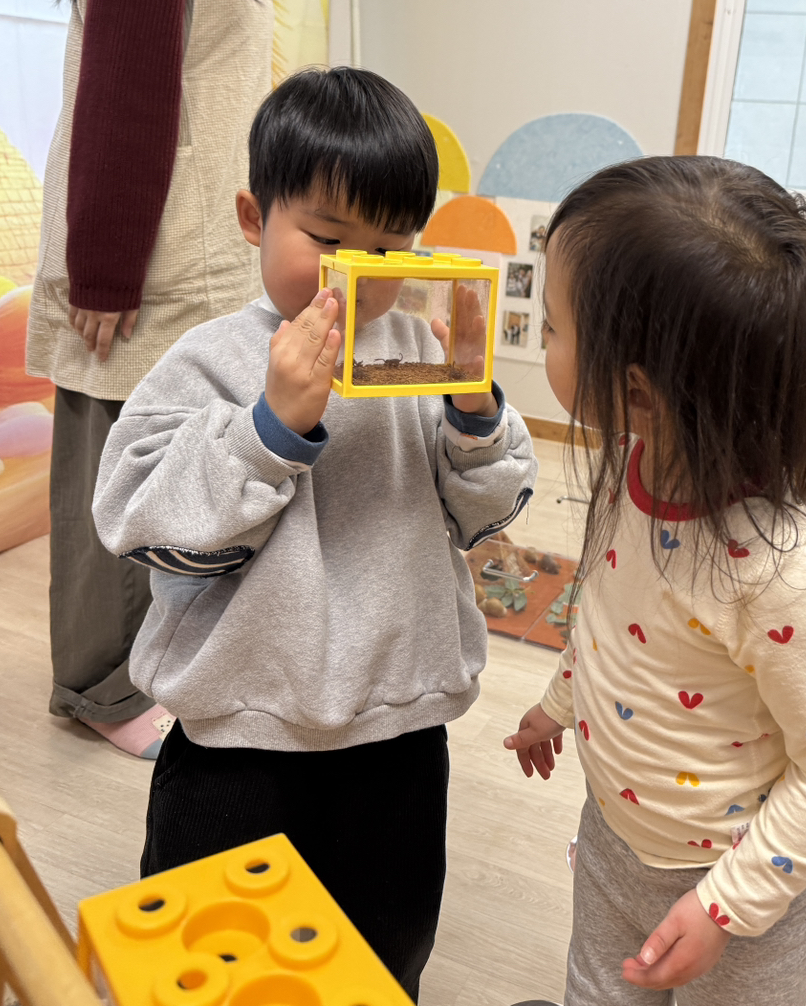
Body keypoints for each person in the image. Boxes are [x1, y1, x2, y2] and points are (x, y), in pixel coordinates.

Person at [92, 67, 538, 998]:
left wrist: (475, 413)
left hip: (399, 722)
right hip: (240, 731)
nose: (355, 270)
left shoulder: (421, 351)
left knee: (384, 947)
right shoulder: (211, 357)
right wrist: (267, 427)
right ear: (255, 217)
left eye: (388, 245)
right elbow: (133, 512)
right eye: (328, 239)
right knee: (215, 955)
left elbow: (485, 511)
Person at [26, 0, 328, 758]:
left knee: (167, 458)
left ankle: (150, 663)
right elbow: (126, 94)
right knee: (118, 470)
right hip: (137, 254)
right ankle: (98, 687)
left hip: (189, 242)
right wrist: (105, 269)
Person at [503, 157, 806, 1006]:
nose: (542, 338)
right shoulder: (629, 465)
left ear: (638, 390)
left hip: (744, 892)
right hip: (614, 843)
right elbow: (607, 614)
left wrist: (725, 906)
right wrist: (558, 703)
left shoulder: (779, 573)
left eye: (554, 327)